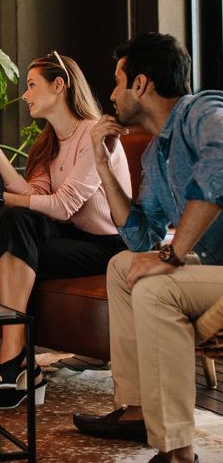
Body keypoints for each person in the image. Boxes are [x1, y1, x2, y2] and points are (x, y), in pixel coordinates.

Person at [73, 33, 223, 463]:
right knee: (123, 265)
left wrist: (174, 256)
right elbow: (140, 237)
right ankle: (137, 407)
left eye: (117, 82)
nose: (112, 94)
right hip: (215, 267)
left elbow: (221, 160)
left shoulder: (202, 109)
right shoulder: (158, 153)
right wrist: (102, 163)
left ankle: (178, 451)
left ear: (141, 84)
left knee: (156, 289)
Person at [0, 51, 132, 409]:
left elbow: (64, 205)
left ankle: (13, 358)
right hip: (70, 239)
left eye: (32, 85)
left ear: (59, 85)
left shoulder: (92, 133)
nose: (26, 94)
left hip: (108, 245)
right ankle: (21, 360)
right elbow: (34, 196)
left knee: (12, 226)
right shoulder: (47, 142)